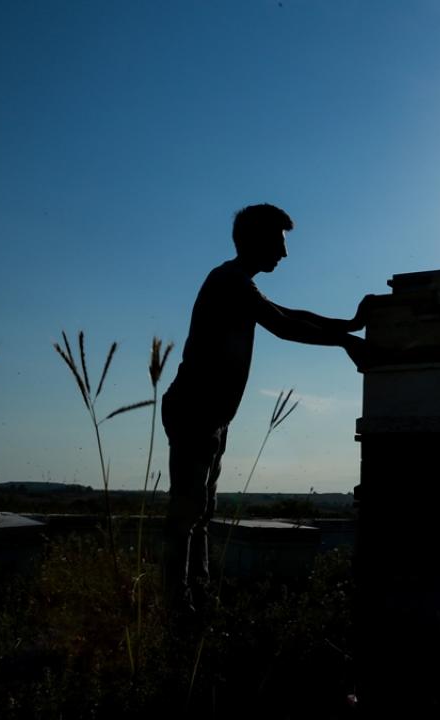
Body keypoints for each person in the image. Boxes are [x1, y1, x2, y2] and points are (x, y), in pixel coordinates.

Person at [161, 203, 372, 615]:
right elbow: (283, 325)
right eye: (278, 241)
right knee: (187, 513)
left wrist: (348, 325)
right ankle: (177, 607)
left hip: (209, 415)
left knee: (200, 513)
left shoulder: (238, 282)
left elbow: (287, 314)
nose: (284, 253)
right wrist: (346, 340)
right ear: (255, 239)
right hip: (195, 411)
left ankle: (196, 599)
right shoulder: (230, 281)